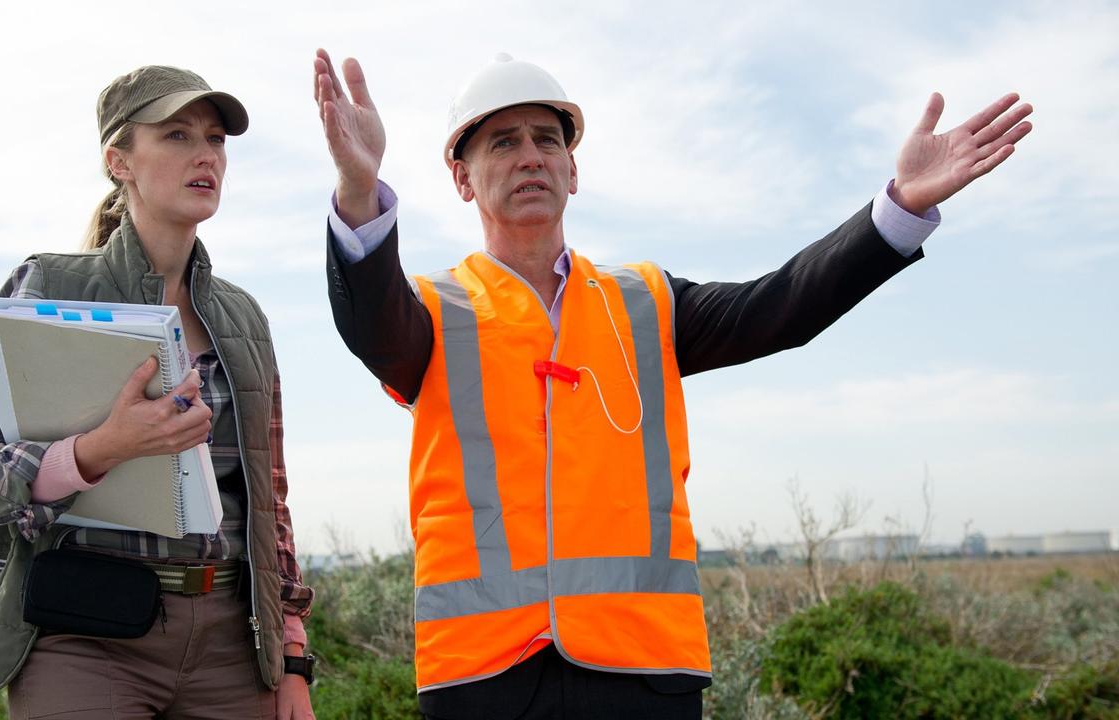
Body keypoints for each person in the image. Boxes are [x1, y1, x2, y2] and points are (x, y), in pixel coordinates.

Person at [313, 50, 1032, 719]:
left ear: (573, 169)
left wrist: (900, 208)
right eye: (502, 142)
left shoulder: (647, 303)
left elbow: (782, 307)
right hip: (485, 680)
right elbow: (372, 325)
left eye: (547, 139)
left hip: (645, 673)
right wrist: (356, 190)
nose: (530, 155)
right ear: (462, 178)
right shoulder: (435, 314)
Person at [0, 65, 317, 720]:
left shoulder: (245, 319)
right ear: (119, 161)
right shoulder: (49, 286)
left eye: (216, 139)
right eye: (176, 135)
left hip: (233, 648)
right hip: (86, 636)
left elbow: (270, 509)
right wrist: (97, 450)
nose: (204, 154)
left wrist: (293, 659)